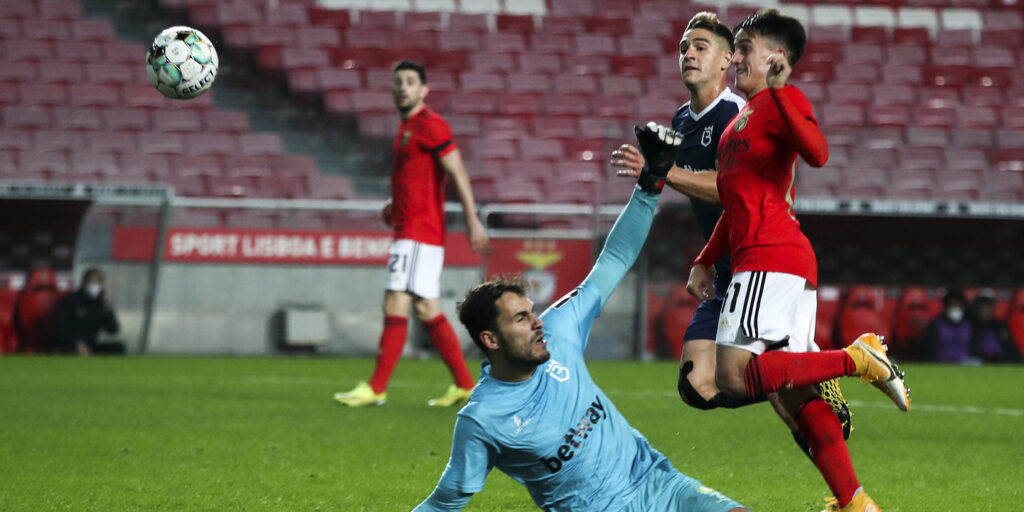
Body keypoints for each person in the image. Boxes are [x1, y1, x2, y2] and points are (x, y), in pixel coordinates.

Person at [414, 123, 747, 512]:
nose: (537, 322)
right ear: (490, 340)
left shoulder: (559, 330)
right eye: (521, 319)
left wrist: (650, 184)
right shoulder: (483, 420)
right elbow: (443, 503)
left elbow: (614, 260)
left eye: (532, 312)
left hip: (661, 485)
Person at [684, 10, 909, 512]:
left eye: (744, 47)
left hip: (770, 258)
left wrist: (784, 92)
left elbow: (818, 153)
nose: (735, 57)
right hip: (769, 260)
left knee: (734, 376)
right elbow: (735, 202)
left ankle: (858, 358)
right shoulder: (737, 122)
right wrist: (705, 259)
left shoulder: (782, 102)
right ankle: (854, 501)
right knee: (794, 394)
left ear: (776, 57)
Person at [610, 11, 851, 459]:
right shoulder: (682, 120)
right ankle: (802, 372)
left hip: (759, 259)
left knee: (775, 393)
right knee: (699, 386)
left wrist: (662, 173)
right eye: (684, 47)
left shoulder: (737, 113)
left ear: (727, 61)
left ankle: (841, 470)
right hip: (725, 265)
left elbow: (731, 191)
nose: (688, 55)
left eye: (701, 47)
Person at [335, 60, 491, 408]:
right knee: (425, 308)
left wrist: (472, 221)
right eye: (398, 82)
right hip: (411, 229)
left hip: (419, 233)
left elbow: (458, 172)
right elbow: (416, 180)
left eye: (409, 82)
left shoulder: (430, 125)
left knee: (397, 302)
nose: (402, 87)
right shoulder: (407, 128)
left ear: (423, 90)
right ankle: (466, 385)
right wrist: (396, 205)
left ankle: (376, 388)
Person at [51, 268, 123, 355]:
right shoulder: (71, 301)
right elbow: (60, 329)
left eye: (97, 282)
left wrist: (107, 309)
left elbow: (113, 330)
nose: (94, 285)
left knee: (118, 348)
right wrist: (76, 343)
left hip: (91, 344)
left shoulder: (101, 305)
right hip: (70, 343)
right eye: (91, 281)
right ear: (84, 283)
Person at [969, 295, 1020, 362]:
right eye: (984, 308)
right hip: (980, 359)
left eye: (989, 308)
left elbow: (1010, 345)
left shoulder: (1000, 325)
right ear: (978, 309)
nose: (987, 311)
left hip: (1002, 359)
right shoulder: (972, 325)